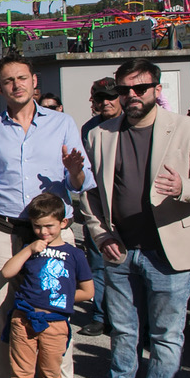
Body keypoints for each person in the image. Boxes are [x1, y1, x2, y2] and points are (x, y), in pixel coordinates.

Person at [77, 59, 190, 378]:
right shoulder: (100, 134)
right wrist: (99, 233)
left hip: (169, 251)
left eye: (140, 88)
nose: (132, 96)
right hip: (121, 250)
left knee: (166, 334)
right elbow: (89, 195)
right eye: (125, 90)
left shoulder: (189, 129)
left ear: (157, 89)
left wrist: (183, 189)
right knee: (124, 331)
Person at [0, 51, 94, 378]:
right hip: (4, 231)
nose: (16, 85)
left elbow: (81, 183)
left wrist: (74, 173)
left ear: (34, 81)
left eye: (22, 78)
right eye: (8, 80)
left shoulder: (62, 124)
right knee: (1, 314)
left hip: (53, 233)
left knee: (57, 314)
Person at [0, 193, 93, 378]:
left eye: (49, 226)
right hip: (25, 319)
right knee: (22, 372)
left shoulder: (75, 255)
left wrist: (59, 299)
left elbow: (88, 291)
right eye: (37, 226)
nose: (43, 232)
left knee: (51, 374)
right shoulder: (31, 248)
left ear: (63, 223)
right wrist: (29, 249)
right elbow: (8, 272)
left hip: (56, 322)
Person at [77, 77, 123, 335]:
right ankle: (100, 315)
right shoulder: (88, 129)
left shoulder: (131, 124)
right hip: (97, 206)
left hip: (128, 208)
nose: (106, 102)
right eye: (100, 98)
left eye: (111, 97)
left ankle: (136, 321)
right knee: (97, 263)